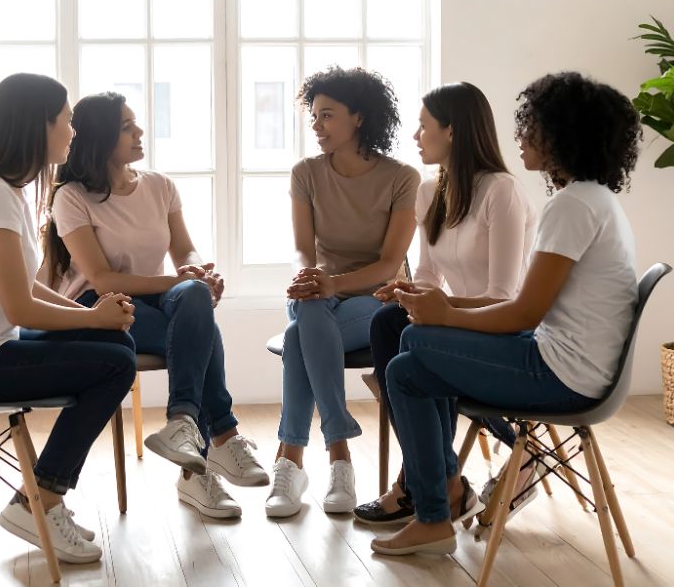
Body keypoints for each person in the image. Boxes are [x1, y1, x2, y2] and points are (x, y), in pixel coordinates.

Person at [371, 71, 641, 555]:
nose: (520, 135)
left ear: (560, 133)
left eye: (530, 126)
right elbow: (526, 308)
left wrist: (445, 315)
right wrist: (438, 305)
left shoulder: (572, 206)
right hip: (567, 362)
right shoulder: (591, 200)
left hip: (560, 373)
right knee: (409, 360)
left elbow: (522, 312)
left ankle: (435, 512)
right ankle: (440, 502)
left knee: (412, 349)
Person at [0, 73, 138, 564]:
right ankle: (39, 500)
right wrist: (95, 319)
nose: (73, 132)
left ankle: (41, 498)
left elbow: (29, 287)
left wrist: (90, 314)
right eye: (67, 121)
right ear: (38, 126)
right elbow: (19, 308)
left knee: (117, 346)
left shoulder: (4, 190)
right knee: (117, 363)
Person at [44, 91, 267, 520]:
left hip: (157, 294)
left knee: (195, 297)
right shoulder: (72, 196)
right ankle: (213, 447)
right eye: (126, 127)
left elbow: (185, 250)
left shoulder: (160, 185)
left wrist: (198, 272)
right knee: (196, 334)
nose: (139, 132)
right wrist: (181, 280)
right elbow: (102, 277)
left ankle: (183, 427)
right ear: (100, 138)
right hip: (98, 302)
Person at [353, 82, 537, 526]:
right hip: (450, 323)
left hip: (501, 327)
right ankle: (443, 481)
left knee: (412, 334)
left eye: (423, 126)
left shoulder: (501, 192)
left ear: (452, 131)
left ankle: (419, 484)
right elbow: (430, 274)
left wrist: (439, 307)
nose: (416, 136)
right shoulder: (430, 191)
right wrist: (408, 294)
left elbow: (504, 295)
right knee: (387, 321)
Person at [265, 66, 421, 518]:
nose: (317, 125)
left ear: (359, 117)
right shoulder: (306, 173)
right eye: (313, 116)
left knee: (300, 337)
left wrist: (332, 283)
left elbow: (390, 265)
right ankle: (339, 455)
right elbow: (302, 249)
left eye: (327, 116)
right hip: (316, 292)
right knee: (310, 308)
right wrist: (311, 278)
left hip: (374, 298)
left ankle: (291, 461)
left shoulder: (401, 178)